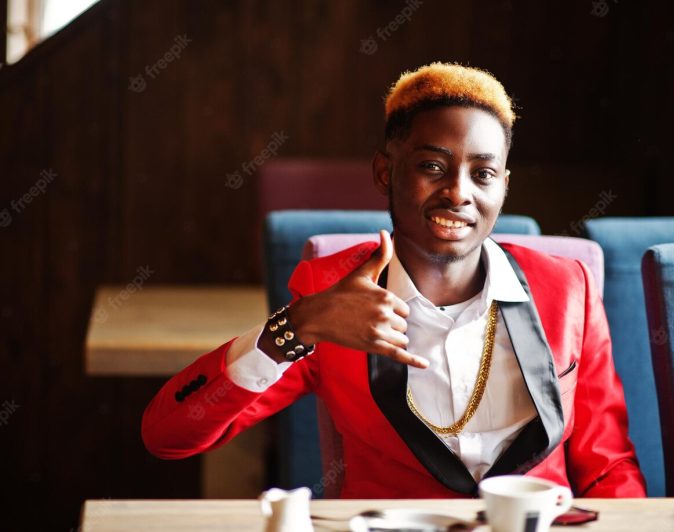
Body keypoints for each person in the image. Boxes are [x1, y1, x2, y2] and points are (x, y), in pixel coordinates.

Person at [142, 62, 646, 498]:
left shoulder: (567, 290)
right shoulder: (331, 297)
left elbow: (608, 466)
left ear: (504, 186)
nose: (458, 193)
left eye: (483, 174)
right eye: (432, 166)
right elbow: (167, 435)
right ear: (385, 172)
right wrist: (296, 326)